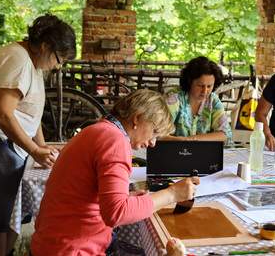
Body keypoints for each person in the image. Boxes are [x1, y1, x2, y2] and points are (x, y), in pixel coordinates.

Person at [29, 89, 200, 255]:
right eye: (155, 132)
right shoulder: (115, 140)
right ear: (138, 117)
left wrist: (125, 196)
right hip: (73, 249)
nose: (153, 142)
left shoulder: (96, 130)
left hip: (52, 244)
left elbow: (86, 195)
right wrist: (172, 194)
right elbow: (117, 213)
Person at [0, 13, 76, 256]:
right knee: (0, 217)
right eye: (60, 58)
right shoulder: (17, 60)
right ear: (45, 45)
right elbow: (3, 115)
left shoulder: (34, 62)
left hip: (15, 144)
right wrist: (35, 150)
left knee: (13, 214)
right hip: (1, 142)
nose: (59, 65)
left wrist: (43, 146)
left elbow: (31, 112)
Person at [163, 56, 232, 143]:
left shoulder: (213, 100)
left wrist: (191, 139)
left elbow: (225, 133)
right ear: (189, 81)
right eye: (200, 85)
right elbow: (157, 133)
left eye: (209, 86)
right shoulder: (173, 98)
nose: (205, 91)